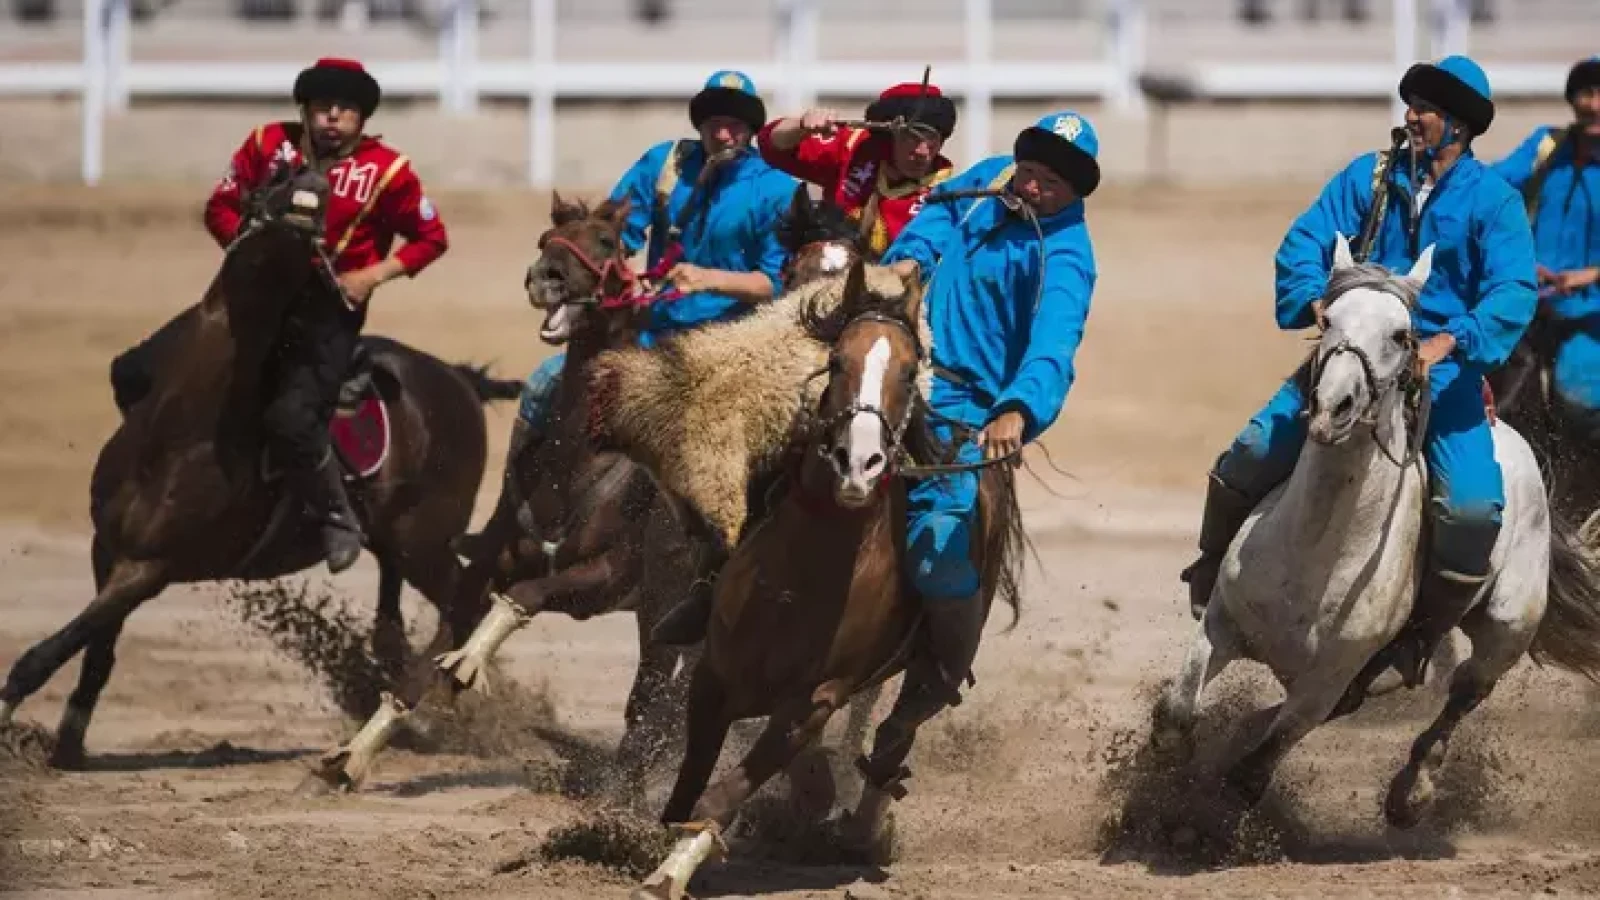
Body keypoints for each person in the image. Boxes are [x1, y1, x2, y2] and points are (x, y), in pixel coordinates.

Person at [651, 112, 1102, 704]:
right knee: (779, 448)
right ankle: (713, 589)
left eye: (1050, 183)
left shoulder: (1067, 257)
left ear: (1074, 192)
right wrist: (912, 255)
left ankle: (935, 674)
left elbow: (1053, 345)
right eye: (1030, 169)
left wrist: (1017, 409)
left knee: (941, 549)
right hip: (892, 363)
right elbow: (937, 212)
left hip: (964, 405)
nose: (1031, 186)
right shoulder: (993, 180)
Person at [1181, 55, 1538, 687]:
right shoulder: (1366, 179)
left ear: (1459, 125)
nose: (1413, 117)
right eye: (1413, 104)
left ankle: (1416, 639)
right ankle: (1211, 572)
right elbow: (1303, 242)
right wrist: (1316, 301)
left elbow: (1512, 291)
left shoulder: (1494, 201)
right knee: (1252, 448)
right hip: (1348, 363)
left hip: (1442, 380)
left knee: (1474, 511)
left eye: (1427, 108)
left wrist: (1450, 343)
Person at [111, 57, 450, 573]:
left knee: (292, 420)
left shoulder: (389, 171)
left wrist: (371, 276)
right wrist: (245, 247)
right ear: (306, 110)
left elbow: (432, 240)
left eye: (345, 110)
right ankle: (157, 473)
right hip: (245, 304)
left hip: (325, 317)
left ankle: (337, 516)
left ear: (361, 117)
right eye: (322, 108)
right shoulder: (266, 144)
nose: (332, 118)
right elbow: (219, 206)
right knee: (134, 371)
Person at [514, 70, 796, 453]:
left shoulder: (777, 189)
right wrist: (622, 276)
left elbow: (773, 284)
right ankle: (519, 505)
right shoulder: (665, 164)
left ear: (751, 128)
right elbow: (614, 235)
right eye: (715, 123)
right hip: (647, 334)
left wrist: (708, 279)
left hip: (730, 346)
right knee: (542, 385)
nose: (724, 135)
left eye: (735, 124)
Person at [1491, 56, 1600, 441]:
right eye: (1587, 93)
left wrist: (1592, 274)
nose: (1595, 105)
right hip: (1531, 304)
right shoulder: (1547, 147)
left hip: (1592, 318)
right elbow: (1491, 192)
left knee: (1578, 399)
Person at [756, 82, 957, 258]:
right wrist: (801, 125)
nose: (923, 152)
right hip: (826, 274)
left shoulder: (945, 195)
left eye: (933, 139)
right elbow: (773, 148)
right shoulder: (854, 148)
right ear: (889, 136)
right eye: (912, 137)